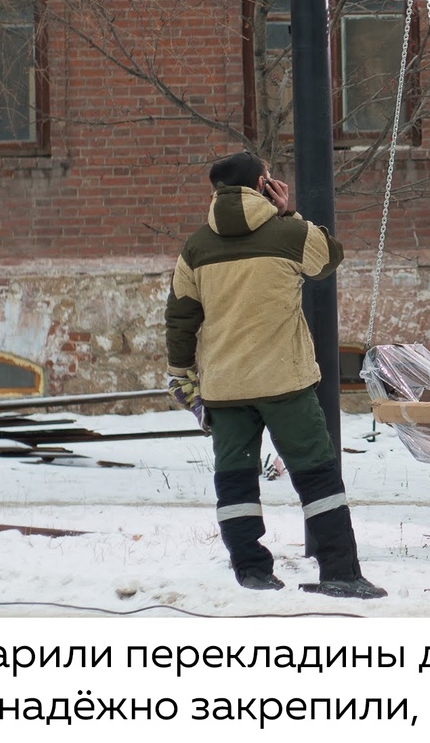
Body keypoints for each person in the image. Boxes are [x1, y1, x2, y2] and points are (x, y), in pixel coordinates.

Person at [164, 151, 386, 599]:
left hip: (226, 388)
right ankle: (340, 572)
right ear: (264, 184)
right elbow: (328, 260)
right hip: (284, 382)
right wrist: (291, 211)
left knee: (235, 480)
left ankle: (251, 571)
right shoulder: (289, 232)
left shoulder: (196, 248)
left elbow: (180, 317)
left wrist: (181, 376)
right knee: (317, 476)